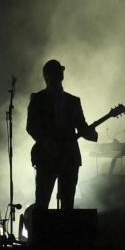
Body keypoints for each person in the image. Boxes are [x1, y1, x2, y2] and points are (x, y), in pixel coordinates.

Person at [27, 59, 98, 210]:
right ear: (47, 76)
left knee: (67, 203)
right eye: (56, 71)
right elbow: (31, 126)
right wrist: (46, 142)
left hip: (69, 156)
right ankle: (42, 232)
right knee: (42, 201)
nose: (60, 73)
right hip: (46, 157)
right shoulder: (38, 99)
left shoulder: (73, 101)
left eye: (61, 70)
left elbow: (82, 127)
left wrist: (92, 134)